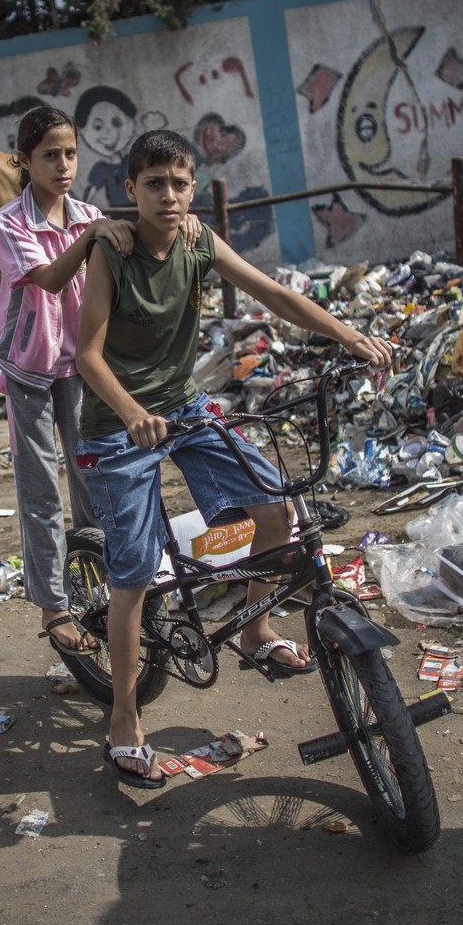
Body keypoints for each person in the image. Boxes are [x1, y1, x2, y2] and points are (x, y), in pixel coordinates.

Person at [74, 129, 394, 787]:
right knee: (133, 573)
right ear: (128, 191)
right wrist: (133, 413)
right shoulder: (114, 250)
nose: (169, 195)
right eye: (154, 183)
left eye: (180, 183)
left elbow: (275, 294)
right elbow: (87, 354)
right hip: (116, 423)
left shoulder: (198, 239)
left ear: (194, 189)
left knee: (279, 510)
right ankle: (125, 719)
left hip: (184, 409)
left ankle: (254, 631)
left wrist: (349, 335)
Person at [0, 107, 199, 656]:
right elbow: (53, 280)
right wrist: (92, 237)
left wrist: (187, 223)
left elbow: (152, 230)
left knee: (91, 480)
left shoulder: (89, 213)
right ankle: (55, 607)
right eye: (49, 154)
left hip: (80, 366)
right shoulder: (9, 222)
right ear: (24, 161)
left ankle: (100, 591)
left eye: (70, 153)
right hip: (30, 367)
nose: (63, 165)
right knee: (40, 489)